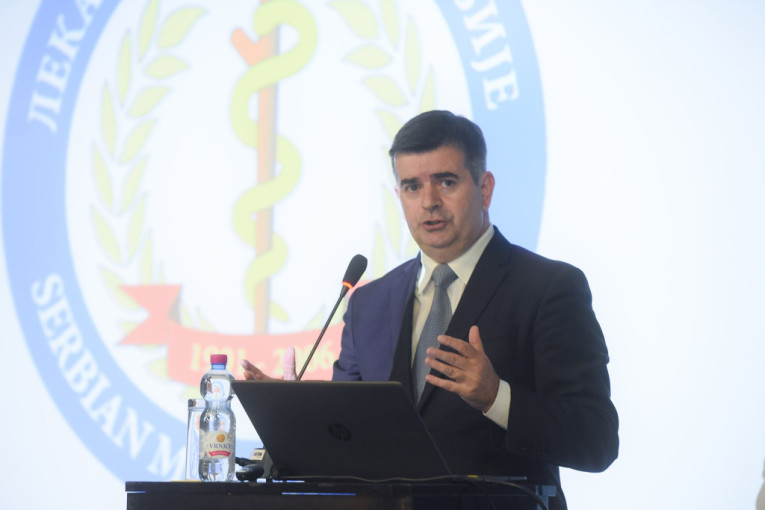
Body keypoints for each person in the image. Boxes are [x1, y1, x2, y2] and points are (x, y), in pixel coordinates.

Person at [242, 110, 618, 509]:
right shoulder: (369, 303)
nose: (429, 202)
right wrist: (299, 417)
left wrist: (496, 397)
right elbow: (348, 443)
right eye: (412, 187)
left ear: (485, 189)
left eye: (447, 182)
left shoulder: (548, 288)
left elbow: (596, 439)